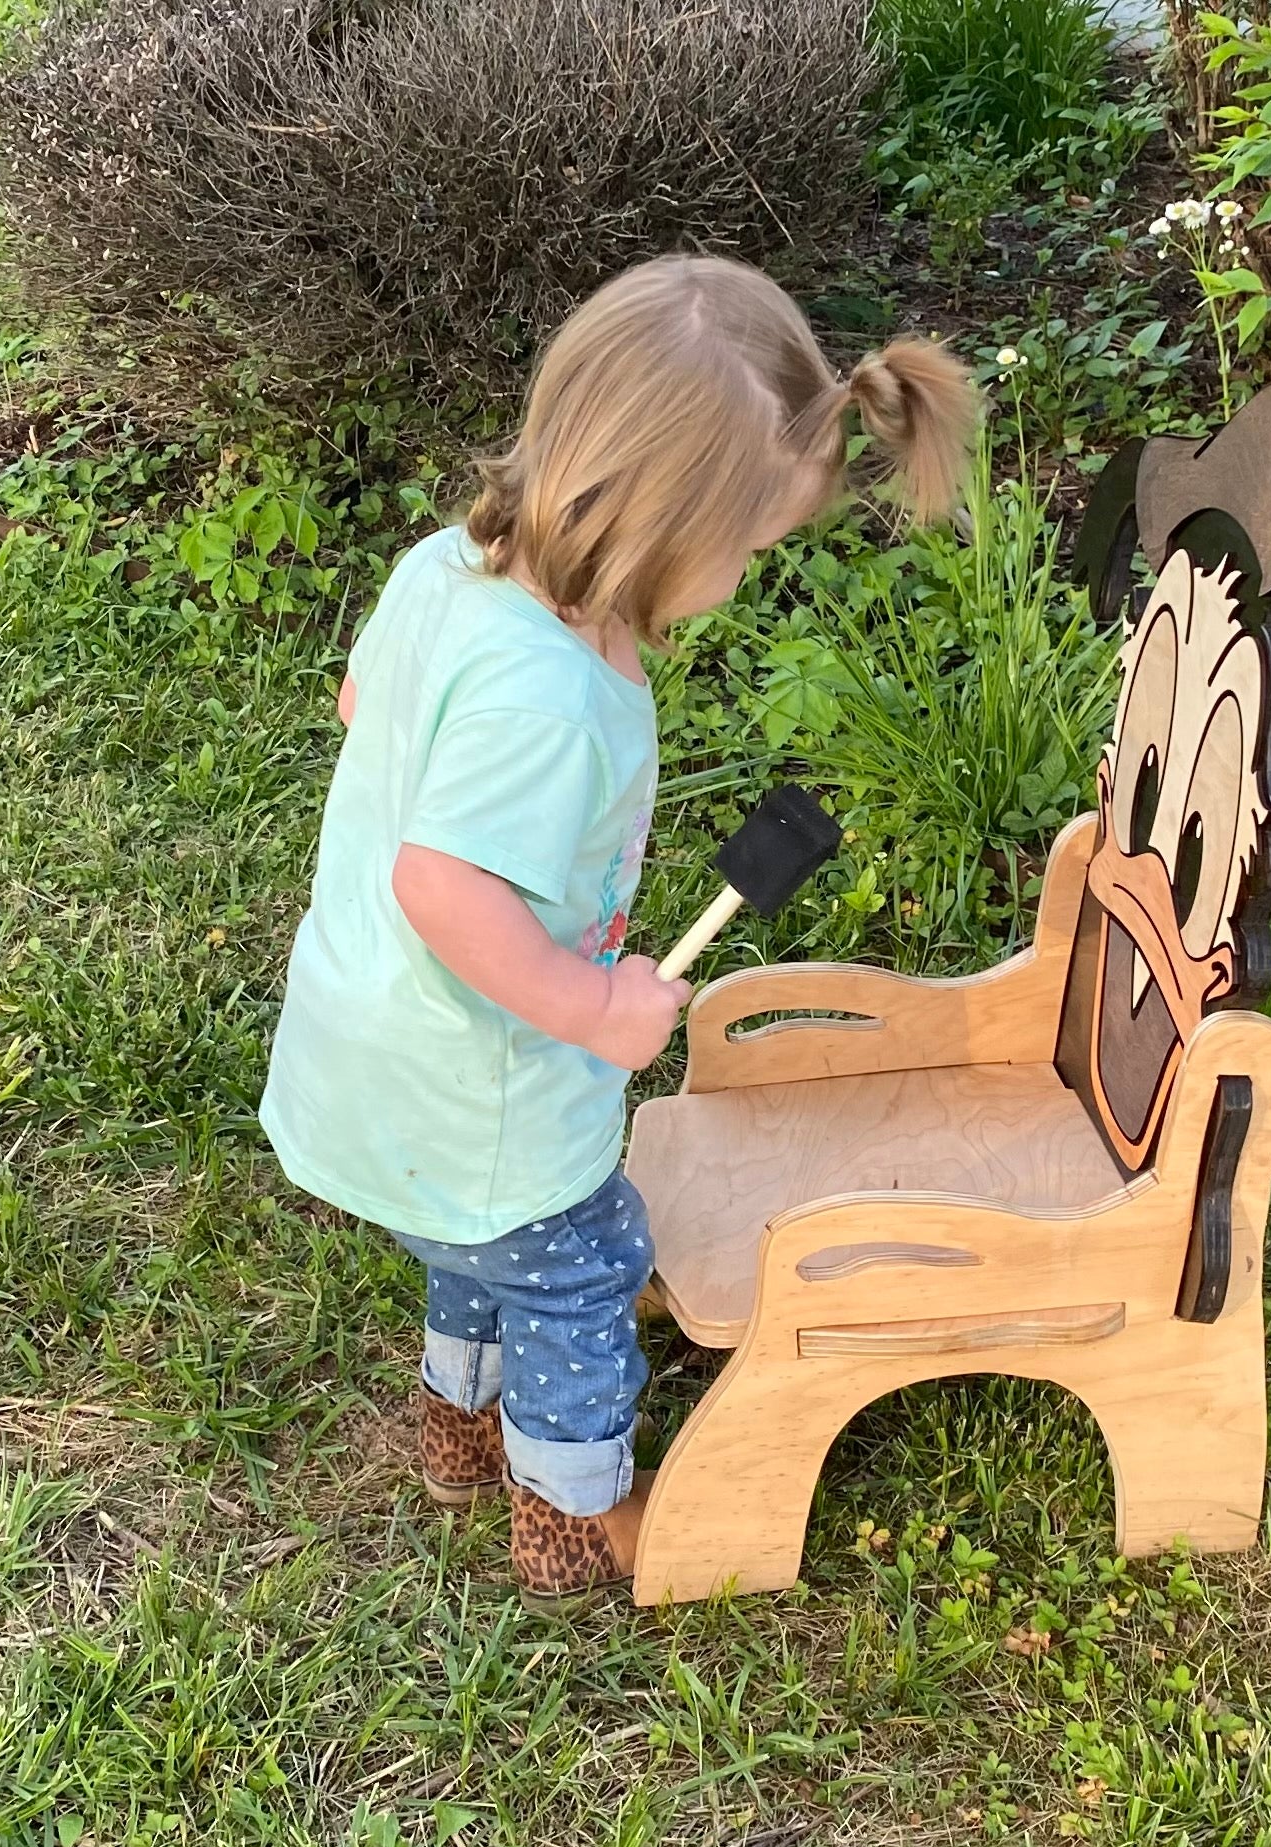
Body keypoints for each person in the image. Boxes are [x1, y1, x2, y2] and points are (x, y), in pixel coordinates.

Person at [260, 256, 977, 1609]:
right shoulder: (551, 701)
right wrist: (590, 1011)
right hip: (481, 1088)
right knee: (581, 1269)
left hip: (374, 1058)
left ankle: (457, 1431)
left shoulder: (447, 567)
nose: (748, 579)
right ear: (668, 523)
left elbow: (367, 705)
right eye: (751, 552)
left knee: (473, 1249)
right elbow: (443, 889)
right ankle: (576, 1513)